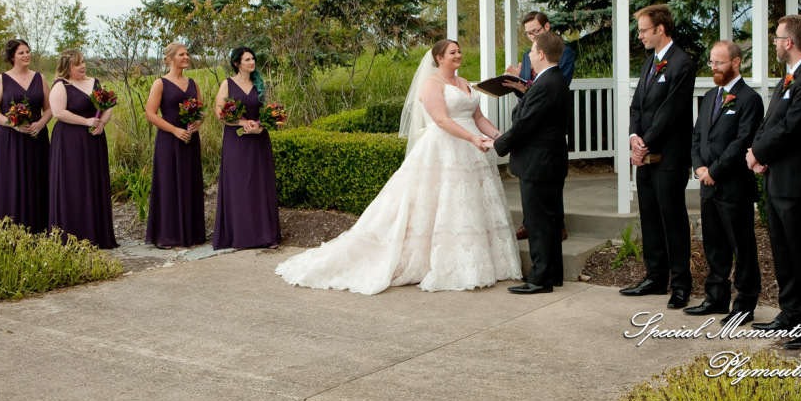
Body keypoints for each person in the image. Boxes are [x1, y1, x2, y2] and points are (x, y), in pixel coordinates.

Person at [275, 39, 521, 294]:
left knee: (472, 202)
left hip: (474, 151)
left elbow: (478, 117)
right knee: (444, 201)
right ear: (439, 57)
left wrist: (501, 137)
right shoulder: (431, 85)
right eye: (453, 52)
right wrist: (471, 137)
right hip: (446, 148)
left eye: (459, 51)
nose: (458, 55)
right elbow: (440, 119)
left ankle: (479, 262)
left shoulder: (463, 83)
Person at [746, 15, 801, 347]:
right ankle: (792, 313)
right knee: (783, 251)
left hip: (797, 181)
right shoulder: (792, 75)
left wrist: (758, 153)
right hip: (777, 179)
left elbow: (794, 127)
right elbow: (772, 120)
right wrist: (757, 149)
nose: (774, 42)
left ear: (789, 43)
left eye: (776, 37)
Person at [619, 4, 696, 309]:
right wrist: (633, 137)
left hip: (669, 156)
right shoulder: (650, 62)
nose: (639, 36)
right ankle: (655, 277)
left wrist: (644, 143)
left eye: (643, 30)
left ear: (660, 30)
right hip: (646, 153)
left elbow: (671, 112)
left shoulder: (681, 64)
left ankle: (680, 284)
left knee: (672, 219)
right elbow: (637, 105)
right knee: (649, 215)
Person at [685, 41, 763, 325]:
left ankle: (744, 304)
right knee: (714, 245)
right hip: (708, 184)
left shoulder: (750, 99)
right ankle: (716, 298)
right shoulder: (709, 97)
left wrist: (715, 171)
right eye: (712, 62)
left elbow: (743, 142)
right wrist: (699, 167)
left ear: (736, 62)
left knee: (741, 247)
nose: (714, 68)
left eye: (719, 63)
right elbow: (697, 137)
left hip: (733, 187)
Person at [492, 32, 571, 294]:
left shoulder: (546, 84)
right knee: (548, 222)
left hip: (539, 164)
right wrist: (523, 87)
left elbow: (525, 124)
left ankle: (539, 279)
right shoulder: (554, 80)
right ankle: (552, 274)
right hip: (549, 162)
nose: (528, 55)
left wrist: (498, 145)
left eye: (531, 50)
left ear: (541, 54)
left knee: (538, 223)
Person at [504, 11, 575, 242]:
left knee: (548, 178)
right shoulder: (528, 55)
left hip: (548, 126)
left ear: (547, 27)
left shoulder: (562, 52)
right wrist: (515, 82)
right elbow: (528, 94)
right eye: (528, 33)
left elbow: (553, 85)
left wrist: (527, 88)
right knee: (532, 181)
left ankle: (558, 224)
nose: (532, 37)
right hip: (531, 124)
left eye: (535, 31)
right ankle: (529, 223)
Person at [213, 46, 281, 250]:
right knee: (239, 186)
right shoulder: (227, 84)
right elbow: (219, 114)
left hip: (258, 140)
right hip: (236, 141)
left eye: (253, 59)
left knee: (259, 185)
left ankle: (265, 235)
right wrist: (242, 123)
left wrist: (260, 127)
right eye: (247, 60)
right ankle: (241, 235)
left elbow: (267, 112)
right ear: (237, 63)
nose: (252, 62)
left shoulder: (259, 84)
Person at [48, 49, 117, 249]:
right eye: (77, 64)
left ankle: (97, 234)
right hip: (69, 141)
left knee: (94, 182)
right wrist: (86, 121)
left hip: (94, 139)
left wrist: (102, 122)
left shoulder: (94, 82)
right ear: (67, 67)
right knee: (74, 184)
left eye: (84, 62)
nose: (83, 66)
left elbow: (108, 104)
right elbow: (58, 112)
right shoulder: (61, 85)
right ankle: (74, 237)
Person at [0, 39, 52, 232]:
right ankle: (11, 227)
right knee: (11, 181)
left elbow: (49, 109)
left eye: (28, 52)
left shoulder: (40, 79)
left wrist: (40, 124)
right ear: (12, 56)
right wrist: (13, 124)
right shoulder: (2, 79)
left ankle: (40, 228)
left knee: (37, 180)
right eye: (22, 53)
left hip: (36, 138)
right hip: (9, 140)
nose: (26, 55)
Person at [144, 42, 206, 249]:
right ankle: (167, 235)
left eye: (188, 53)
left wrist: (199, 120)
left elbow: (200, 109)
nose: (187, 57)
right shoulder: (160, 83)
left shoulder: (192, 83)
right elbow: (150, 114)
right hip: (169, 140)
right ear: (170, 59)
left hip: (190, 139)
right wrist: (174, 130)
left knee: (190, 182)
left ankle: (191, 233)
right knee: (168, 184)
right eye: (182, 54)